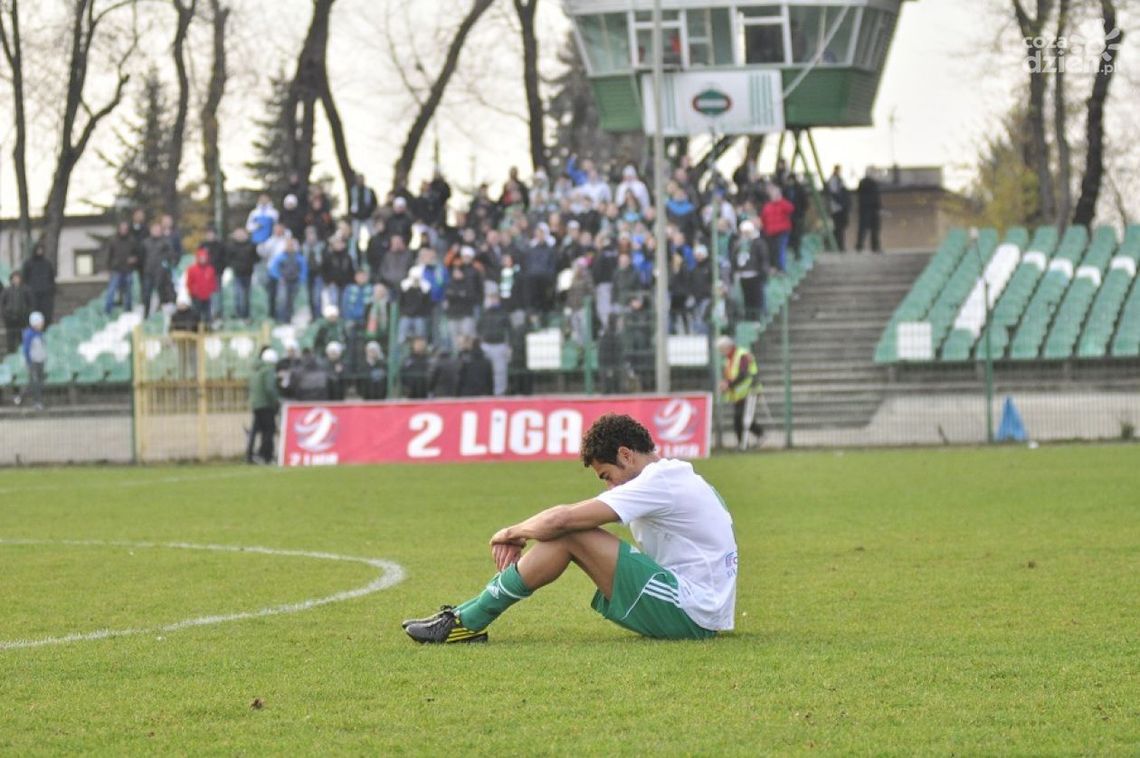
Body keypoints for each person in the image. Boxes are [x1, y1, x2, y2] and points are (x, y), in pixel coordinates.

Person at [402, 413, 738, 644]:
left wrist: (510, 533)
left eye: (607, 476)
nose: (610, 487)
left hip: (693, 611)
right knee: (569, 532)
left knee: (571, 533)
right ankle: (464, 617)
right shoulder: (674, 475)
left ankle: (467, 621)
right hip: (699, 606)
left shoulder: (658, 481)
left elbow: (562, 520)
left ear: (626, 455)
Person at [716, 335, 765, 451]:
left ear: (728, 347)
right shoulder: (729, 359)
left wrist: (728, 384)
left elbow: (743, 374)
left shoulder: (742, 355)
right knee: (739, 418)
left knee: (742, 417)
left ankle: (755, 437)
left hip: (750, 390)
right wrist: (726, 383)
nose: (721, 352)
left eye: (722, 349)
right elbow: (731, 375)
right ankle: (744, 443)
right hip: (739, 394)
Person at [246, 347, 280, 464]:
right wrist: (275, 401)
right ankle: (266, 456)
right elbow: (269, 388)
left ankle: (250, 455)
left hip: (256, 404)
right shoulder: (268, 370)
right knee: (269, 431)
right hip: (266, 405)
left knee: (255, 431)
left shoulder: (256, 370)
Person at [102, 220, 140, 314]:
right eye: (122, 228)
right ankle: (107, 310)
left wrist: (134, 259)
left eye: (125, 228)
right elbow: (108, 255)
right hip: (116, 270)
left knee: (128, 291)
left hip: (128, 269)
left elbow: (137, 254)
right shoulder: (113, 240)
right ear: (119, 229)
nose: (124, 230)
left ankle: (128, 310)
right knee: (111, 290)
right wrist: (107, 268)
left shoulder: (132, 240)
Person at [21, 243, 56, 326]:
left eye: (41, 249)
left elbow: (51, 277)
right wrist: (28, 290)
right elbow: (24, 278)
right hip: (32, 293)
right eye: (38, 249)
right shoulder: (28, 263)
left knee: (46, 313)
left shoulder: (47, 263)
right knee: (34, 313)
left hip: (45, 293)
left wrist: (50, 288)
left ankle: (46, 328)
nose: (40, 251)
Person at [2, 271, 33, 355]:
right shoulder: (6, 290)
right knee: (10, 340)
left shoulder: (26, 290)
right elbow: (2, 304)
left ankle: (22, 355)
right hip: (10, 319)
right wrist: (6, 315)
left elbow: (30, 304)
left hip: (22, 319)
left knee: (22, 339)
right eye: (14, 278)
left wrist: (26, 314)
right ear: (11, 279)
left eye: (17, 278)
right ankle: (10, 355)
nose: (16, 280)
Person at [21, 311, 47, 410]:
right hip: (33, 362)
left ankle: (19, 397)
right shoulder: (29, 334)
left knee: (37, 382)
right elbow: (26, 349)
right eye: (40, 322)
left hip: (40, 361)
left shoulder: (40, 334)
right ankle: (37, 402)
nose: (42, 324)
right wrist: (29, 362)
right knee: (36, 383)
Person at [185, 247, 218, 323]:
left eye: (204, 258)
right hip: (196, 296)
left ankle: (208, 327)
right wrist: (192, 292)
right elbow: (189, 282)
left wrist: (211, 290)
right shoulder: (192, 269)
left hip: (207, 296)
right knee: (196, 314)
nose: (203, 260)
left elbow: (213, 282)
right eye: (201, 258)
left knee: (207, 314)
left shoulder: (210, 269)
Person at [856, 168, 883, 254]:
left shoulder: (865, 183)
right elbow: (875, 197)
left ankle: (862, 246)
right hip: (869, 209)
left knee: (867, 229)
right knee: (870, 228)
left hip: (867, 209)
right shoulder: (870, 183)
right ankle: (872, 246)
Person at [826, 165, 850, 252]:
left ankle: (839, 245)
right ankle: (838, 246)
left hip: (839, 208)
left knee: (840, 228)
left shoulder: (839, 180)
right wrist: (841, 202)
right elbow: (834, 194)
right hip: (837, 208)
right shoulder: (834, 180)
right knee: (838, 228)